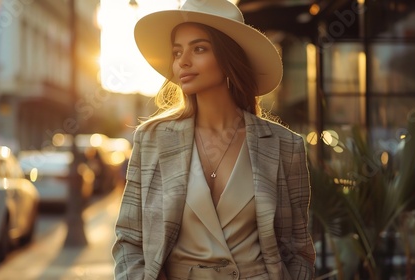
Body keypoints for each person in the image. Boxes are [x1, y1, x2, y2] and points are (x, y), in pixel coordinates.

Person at [112, 0, 316, 279]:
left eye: (199, 49)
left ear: (228, 58)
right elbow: (129, 241)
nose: (182, 61)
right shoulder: (152, 140)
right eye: (177, 51)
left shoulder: (285, 146)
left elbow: (298, 249)